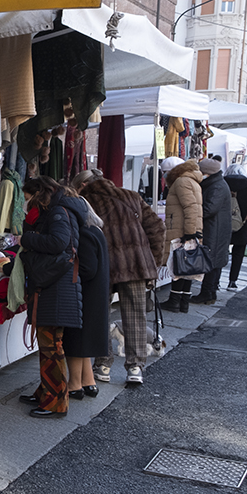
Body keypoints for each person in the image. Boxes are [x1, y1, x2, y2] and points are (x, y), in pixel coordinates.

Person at [73, 167, 167, 386]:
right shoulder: (131, 196)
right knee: (135, 315)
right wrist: (151, 261)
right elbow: (157, 228)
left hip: (102, 266)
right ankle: (135, 367)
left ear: (84, 186)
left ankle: (103, 365)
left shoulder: (85, 202)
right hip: (134, 263)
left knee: (99, 314)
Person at [18, 177, 83, 419]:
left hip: (56, 288)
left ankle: (56, 402)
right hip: (54, 286)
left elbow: (58, 242)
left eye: (27, 198)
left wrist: (25, 239)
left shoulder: (57, 212)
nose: (25, 203)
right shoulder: (56, 210)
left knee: (52, 346)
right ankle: (46, 391)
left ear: (38, 193)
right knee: (48, 345)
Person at [59, 187, 110, 399]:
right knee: (83, 342)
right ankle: (88, 382)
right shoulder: (96, 230)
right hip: (96, 294)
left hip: (86, 295)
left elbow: (87, 269)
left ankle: (74, 385)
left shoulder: (85, 234)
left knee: (75, 342)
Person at [161, 156, 204, 313]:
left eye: (165, 172)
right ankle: (183, 301)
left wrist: (189, 233)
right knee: (188, 268)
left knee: (179, 267)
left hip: (183, 231)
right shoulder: (191, 180)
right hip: (189, 229)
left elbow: (190, 208)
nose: (164, 176)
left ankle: (175, 301)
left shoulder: (181, 182)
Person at [194, 157, 232, 304]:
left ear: (207, 173)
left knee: (212, 261)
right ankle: (210, 293)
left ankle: (207, 293)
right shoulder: (217, 184)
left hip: (215, 229)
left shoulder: (217, 187)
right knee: (215, 261)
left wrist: (195, 210)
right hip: (217, 228)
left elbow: (209, 209)